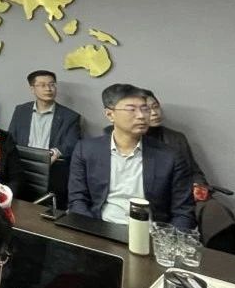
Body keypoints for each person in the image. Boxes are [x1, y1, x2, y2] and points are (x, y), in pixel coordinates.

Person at [69, 84, 195, 230]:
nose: (141, 116)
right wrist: (92, 232)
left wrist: (165, 239)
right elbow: (77, 200)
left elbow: (183, 212)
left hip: (151, 234)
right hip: (101, 228)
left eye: (145, 109)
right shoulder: (86, 149)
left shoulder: (170, 156)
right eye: (131, 109)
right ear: (110, 114)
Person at [7, 70, 82, 205]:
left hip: (51, 169)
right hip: (23, 167)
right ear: (32, 89)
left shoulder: (70, 116)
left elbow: (73, 143)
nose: (48, 89)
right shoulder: (21, 110)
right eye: (42, 85)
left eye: (52, 84)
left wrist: (55, 152)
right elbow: (11, 138)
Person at [143, 90, 208, 189]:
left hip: (181, 193)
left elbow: (194, 173)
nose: (154, 113)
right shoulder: (126, 142)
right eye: (146, 110)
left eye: (155, 107)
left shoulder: (176, 138)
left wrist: (199, 185)